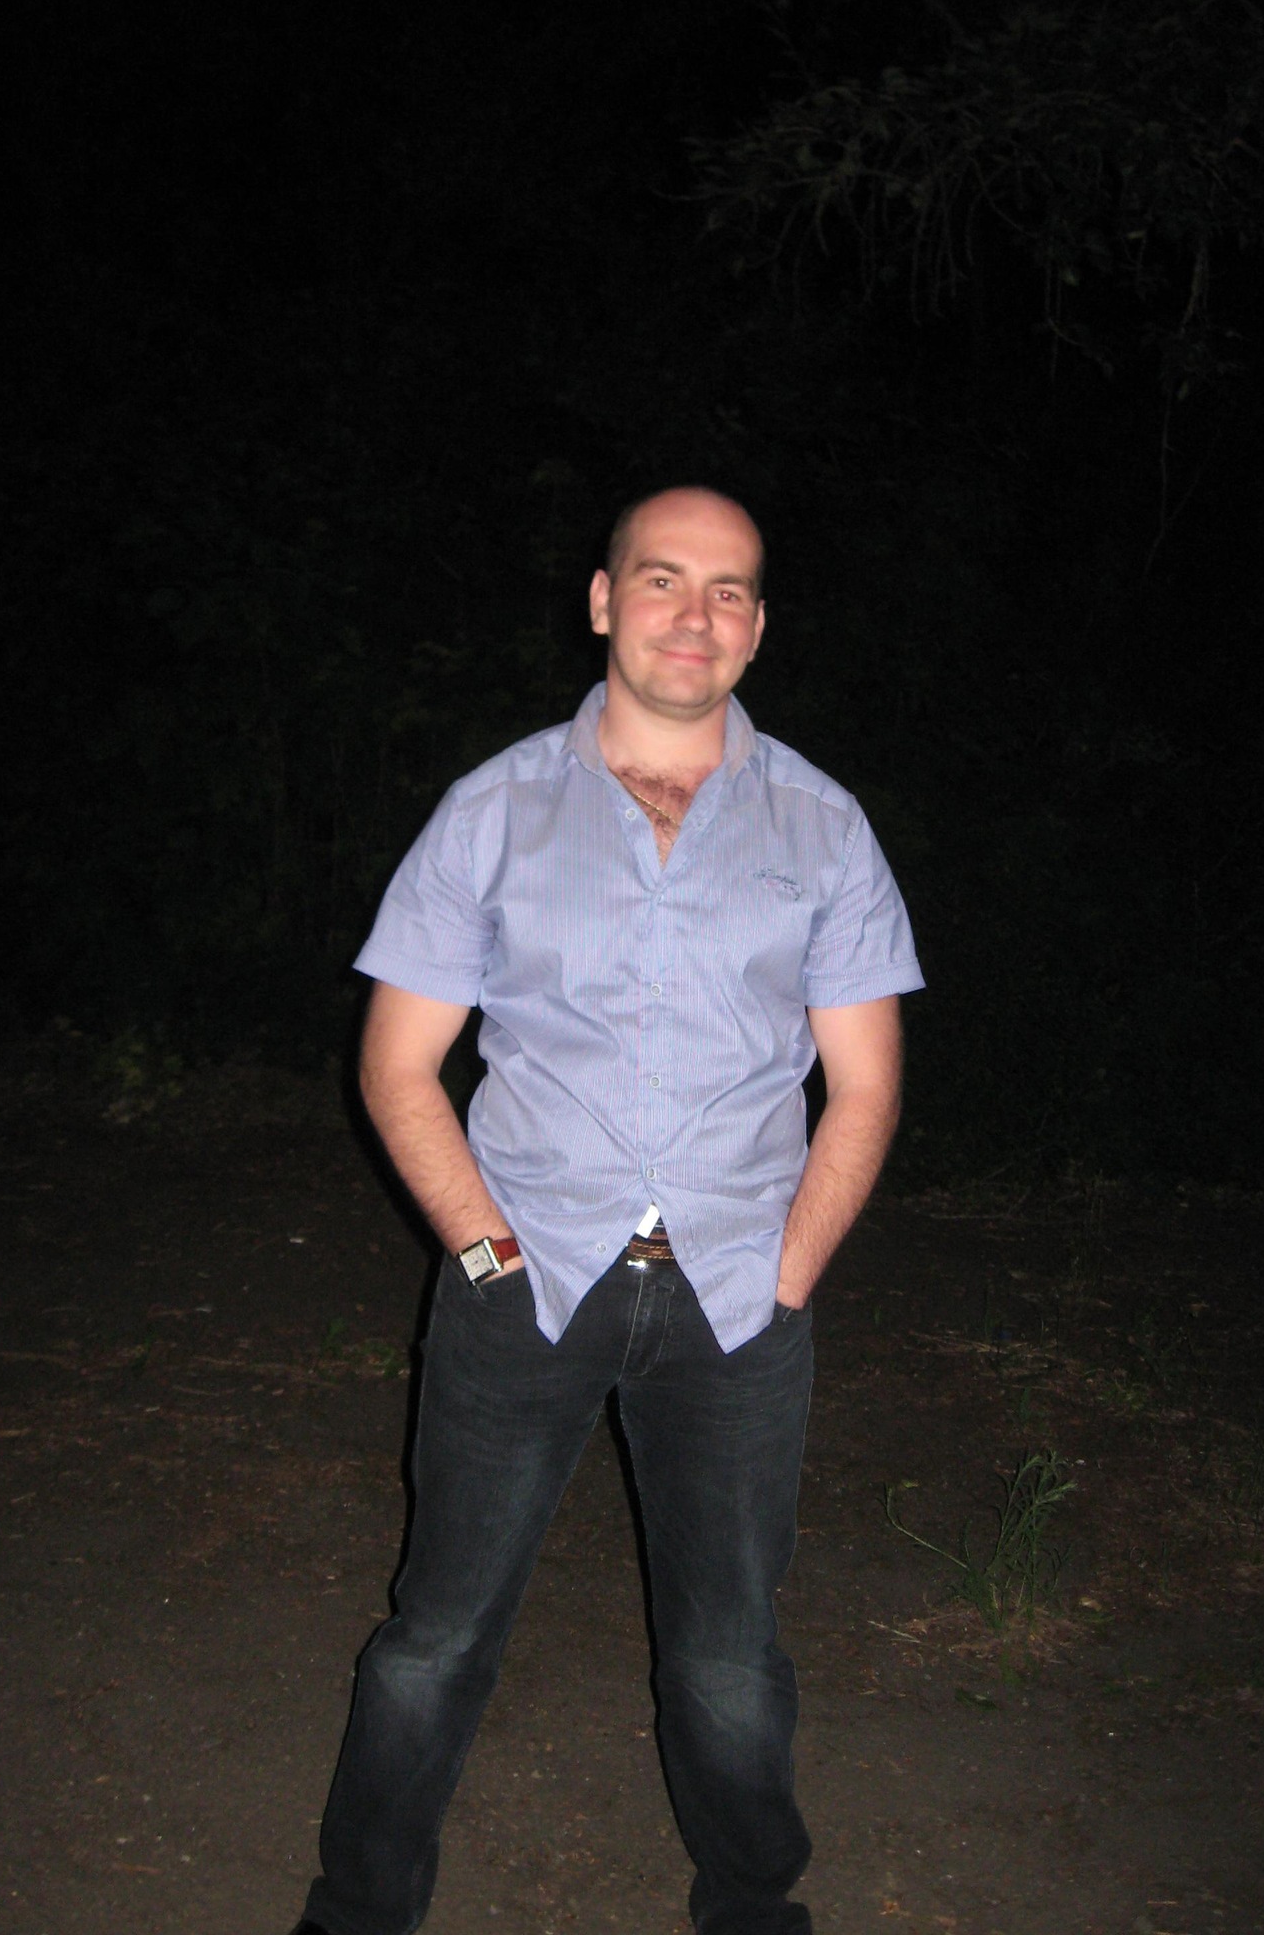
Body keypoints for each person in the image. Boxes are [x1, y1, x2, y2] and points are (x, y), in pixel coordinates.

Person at [294, 487, 923, 1935]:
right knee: (434, 1638)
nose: (693, 615)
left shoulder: (825, 828)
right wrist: (485, 1249)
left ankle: (753, 1910)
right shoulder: (494, 810)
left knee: (729, 1658)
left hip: (738, 1302)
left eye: (728, 590)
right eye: (662, 579)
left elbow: (866, 1089)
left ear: (757, 627)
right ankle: (358, 1910)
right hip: (524, 1281)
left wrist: (790, 1273)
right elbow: (396, 1065)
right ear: (602, 600)